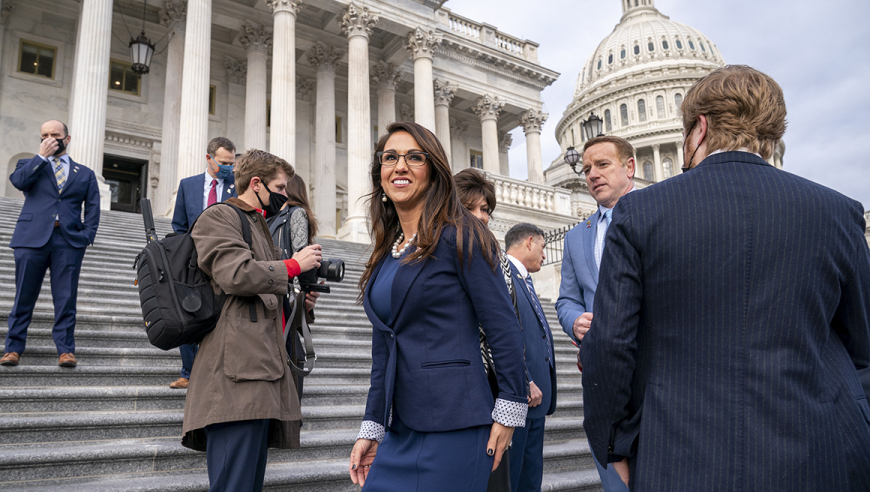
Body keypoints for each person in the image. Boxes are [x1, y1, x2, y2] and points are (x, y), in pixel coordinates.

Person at [581, 65, 870, 490]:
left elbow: (610, 344)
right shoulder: (837, 211)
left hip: (678, 456)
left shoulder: (640, 212)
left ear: (699, 128)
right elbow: (861, 344)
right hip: (813, 452)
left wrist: (613, 443)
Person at [348, 122, 528, 491]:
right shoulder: (387, 251)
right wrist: (373, 424)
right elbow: (385, 344)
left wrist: (511, 407)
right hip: (401, 430)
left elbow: (502, 325)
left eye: (415, 157)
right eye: (390, 158)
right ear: (379, 173)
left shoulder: (461, 233)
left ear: (433, 172)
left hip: (457, 425)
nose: (400, 166)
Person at [181, 149, 323, 491]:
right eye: (279, 187)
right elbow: (236, 274)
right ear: (256, 183)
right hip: (234, 378)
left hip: (258, 371)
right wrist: (293, 266)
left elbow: (268, 289)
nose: (284, 196)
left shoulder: (257, 224)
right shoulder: (219, 216)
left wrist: (302, 298)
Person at [554, 135, 635, 492]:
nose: (592, 175)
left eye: (602, 165)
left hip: (657, 370)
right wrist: (574, 319)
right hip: (601, 375)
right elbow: (566, 299)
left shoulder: (661, 213)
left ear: (629, 167)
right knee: (613, 477)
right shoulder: (575, 237)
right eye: (587, 169)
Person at [1, 120, 100, 368]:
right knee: (24, 296)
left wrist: (86, 236)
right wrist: (41, 158)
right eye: (44, 135)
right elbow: (19, 182)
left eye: (54, 135)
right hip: (30, 239)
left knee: (66, 298)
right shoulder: (29, 164)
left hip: (67, 241)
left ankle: (65, 350)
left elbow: (93, 208)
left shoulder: (85, 173)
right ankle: (13, 348)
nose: (49, 138)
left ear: (67, 139)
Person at [455, 167, 514, 492]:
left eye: (486, 210)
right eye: (471, 208)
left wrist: (510, 396)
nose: (482, 217)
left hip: (485, 386)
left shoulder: (492, 253)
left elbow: (504, 329)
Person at [168, 136, 237, 389]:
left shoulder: (236, 186)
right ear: (209, 158)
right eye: (223, 162)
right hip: (192, 262)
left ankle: (214, 372)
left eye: (232, 162)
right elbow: (179, 225)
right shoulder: (189, 185)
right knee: (187, 312)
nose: (229, 167)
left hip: (225, 262)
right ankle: (188, 373)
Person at [503, 223, 557, 492]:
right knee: (513, 478)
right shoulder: (504, 275)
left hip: (537, 401)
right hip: (522, 395)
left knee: (530, 478)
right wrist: (525, 380)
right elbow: (505, 334)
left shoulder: (525, 279)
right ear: (529, 242)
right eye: (543, 247)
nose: (545, 255)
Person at [268, 174, 321, 400]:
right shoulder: (297, 212)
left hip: (273, 285)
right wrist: (310, 283)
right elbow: (302, 252)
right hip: (286, 290)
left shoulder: (269, 218)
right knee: (292, 357)